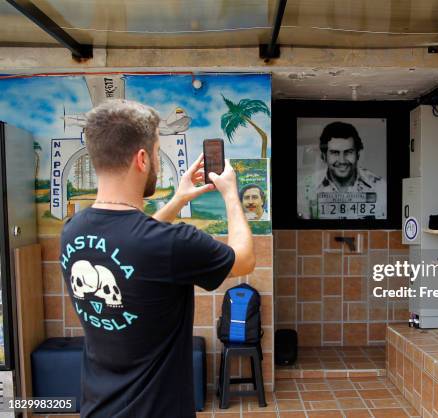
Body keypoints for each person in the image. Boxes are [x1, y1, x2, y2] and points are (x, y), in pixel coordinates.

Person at [60, 99, 255, 418]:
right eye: (155, 153)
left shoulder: (71, 232)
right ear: (141, 159)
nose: (157, 162)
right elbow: (244, 259)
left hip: (98, 409)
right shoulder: (174, 243)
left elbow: (132, 240)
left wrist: (177, 201)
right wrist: (231, 194)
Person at [299, 121, 386, 219]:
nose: (342, 161)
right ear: (324, 156)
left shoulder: (380, 187)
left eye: (348, 152)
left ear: (358, 154)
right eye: (335, 152)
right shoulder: (305, 188)